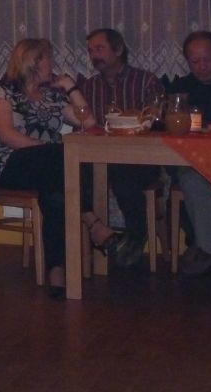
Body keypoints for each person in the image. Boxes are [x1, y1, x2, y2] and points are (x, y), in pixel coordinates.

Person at [0, 38, 117, 299]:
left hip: (51, 168)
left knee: (56, 195)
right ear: (34, 63)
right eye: (49, 59)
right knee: (62, 157)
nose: (53, 65)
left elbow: (89, 122)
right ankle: (91, 221)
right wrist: (47, 150)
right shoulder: (2, 93)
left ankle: (56, 271)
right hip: (13, 165)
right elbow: (8, 136)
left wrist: (71, 87)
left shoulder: (52, 97)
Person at [79, 28, 166, 268]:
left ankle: (135, 237)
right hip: (100, 158)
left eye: (99, 49)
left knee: (121, 169)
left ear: (118, 49)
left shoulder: (146, 81)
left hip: (142, 159)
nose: (94, 55)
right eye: (90, 51)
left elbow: (158, 121)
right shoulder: (89, 87)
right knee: (72, 171)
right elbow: (83, 125)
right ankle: (94, 238)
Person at [167, 31, 211, 275]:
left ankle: (205, 248)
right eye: (195, 61)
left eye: (207, 60)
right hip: (191, 160)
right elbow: (169, 127)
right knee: (191, 180)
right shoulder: (181, 89)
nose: (202, 66)